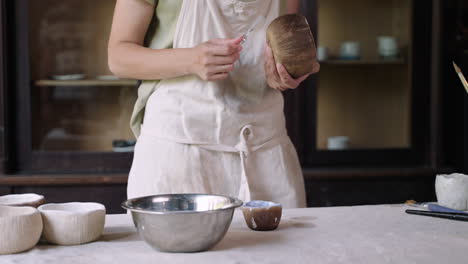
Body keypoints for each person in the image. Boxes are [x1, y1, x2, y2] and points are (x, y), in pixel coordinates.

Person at [108, 0, 320, 208]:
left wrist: (283, 75)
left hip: (266, 151)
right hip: (178, 153)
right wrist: (191, 59)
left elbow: (283, 47)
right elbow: (118, 57)